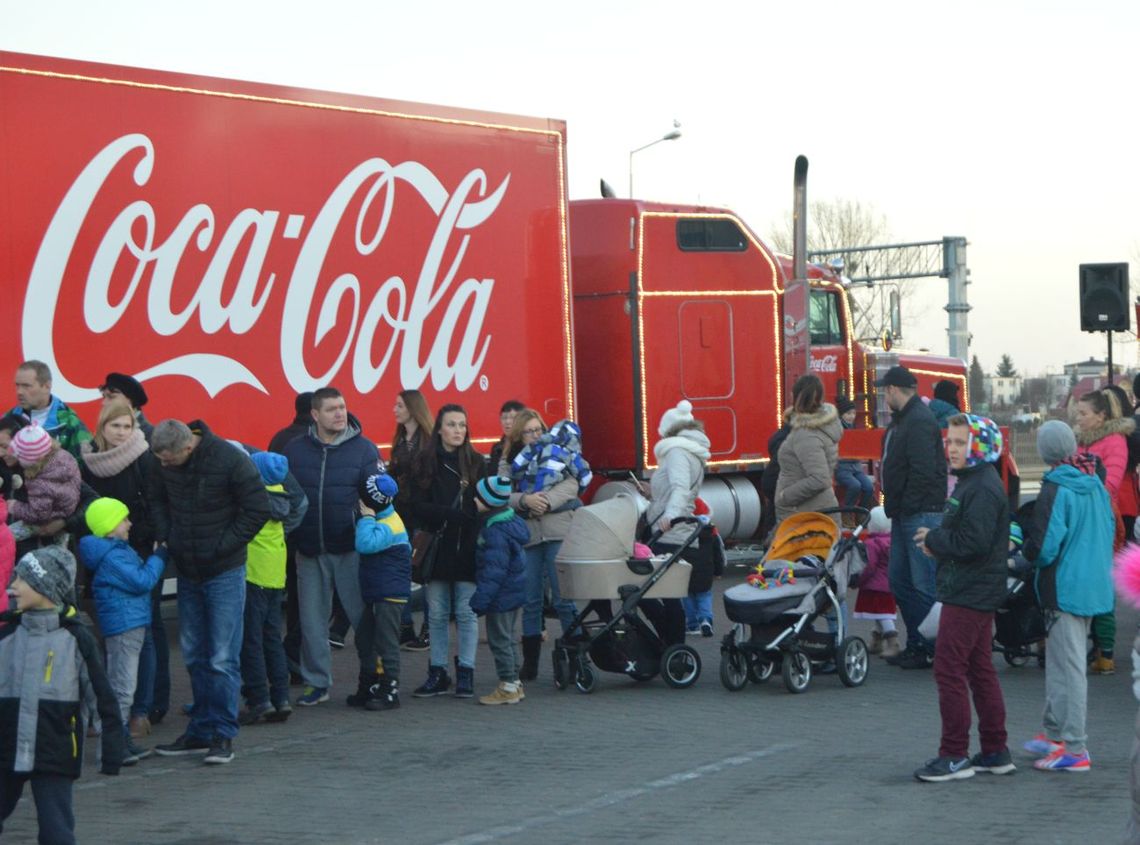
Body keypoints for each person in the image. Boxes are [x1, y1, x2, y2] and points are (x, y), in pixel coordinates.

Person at [149, 419, 271, 765]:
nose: (163, 465)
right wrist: (168, 535)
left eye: (168, 459)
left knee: (221, 657)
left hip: (224, 571)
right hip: (189, 569)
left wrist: (223, 546)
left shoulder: (229, 459)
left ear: (187, 447)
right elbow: (156, 498)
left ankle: (222, 732)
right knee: (194, 654)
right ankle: (201, 730)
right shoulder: (165, 463)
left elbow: (258, 508)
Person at [0, 548, 124, 845]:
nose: (12, 585)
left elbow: (102, 698)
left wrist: (111, 751)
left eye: (22, 579)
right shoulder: (7, 636)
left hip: (54, 751)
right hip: (6, 749)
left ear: (45, 588)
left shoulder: (76, 639)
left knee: (57, 831)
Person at [912, 414, 1011, 782]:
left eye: (959, 442)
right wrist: (937, 541)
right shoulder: (974, 482)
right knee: (979, 668)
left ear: (979, 446)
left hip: (969, 592)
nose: (951, 449)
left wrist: (935, 541)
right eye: (949, 442)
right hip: (973, 588)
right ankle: (994, 750)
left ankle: (954, 754)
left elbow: (974, 542)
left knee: (948, 668)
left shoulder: (981, 487)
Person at [1020, 420, 1114, 772]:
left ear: (1046, 452)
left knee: (1068, 666)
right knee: (1064, 663)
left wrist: (1026, 554)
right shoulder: (1095, 483)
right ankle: (1055, 732)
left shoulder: (1055, 489)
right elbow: (1108, 530)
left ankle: (1074, 746)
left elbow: (1044, 548)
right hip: (1093, 582)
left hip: (1064, 586)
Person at [283, 388, 381, 706]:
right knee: (311, 620)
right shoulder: (295, 451)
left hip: (350, 547)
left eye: (342, 407)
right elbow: (286, 496)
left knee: (362, 616)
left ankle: (374, 675)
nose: (339, 413)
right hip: (309, 548)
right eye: (331, 409)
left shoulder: (364, 450)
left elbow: (378, 496)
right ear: (315, 415)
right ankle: (316, 683)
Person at [79, 399, 167, 735]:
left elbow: (156, 505)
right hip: (100, 559)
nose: (121, 432)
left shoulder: (144, 458)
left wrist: (151, 543)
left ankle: (141, 709)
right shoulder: (86, 461)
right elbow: (81, 508)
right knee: (106, 636)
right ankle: (110, 708)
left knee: (145, 633)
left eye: (127, 426)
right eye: (115, 426)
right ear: (102, 426)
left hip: (139, 554)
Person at [77, 498, 166, 765]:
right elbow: (143, 581)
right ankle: (111, 749)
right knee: (122, 688)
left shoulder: (115, 550)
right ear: (109, 526)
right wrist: (159, 557)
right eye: (123, 519)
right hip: (125, 624)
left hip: (129, 622)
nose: (129, 523)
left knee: (122, 685)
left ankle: (121, 740)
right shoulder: (113, 555)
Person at [504, 412, 591, 679]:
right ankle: (530, 664)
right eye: (528, 432)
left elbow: (572, 484)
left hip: (557, 531)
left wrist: (545, 500)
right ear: (519, 436)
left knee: (564, 598)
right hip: (529, 535)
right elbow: (501, 492)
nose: (535, 436)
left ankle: (577, 656)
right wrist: (524, 500)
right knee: (530, 600)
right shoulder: (511, 462)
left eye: (538, 429)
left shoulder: (557, 452)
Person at [408, 404, 483, 698]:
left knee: (466, 613)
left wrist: (471, 517)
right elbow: (416, 505)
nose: (458, 431)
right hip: (437, 547)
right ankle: (437, 672)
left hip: (466, 546)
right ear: (439, 428)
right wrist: (451, 515)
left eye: (462, 425)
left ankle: (466, 671)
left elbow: (486, 504)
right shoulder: (425, 463)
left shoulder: (476, 462)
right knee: (436, 613)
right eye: (452, 425)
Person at [877, 365, 948, 670]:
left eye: (885, 390)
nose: (883, 396)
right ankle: (919, 643)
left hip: (919, 514)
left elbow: (921, 471)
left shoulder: (918, 421)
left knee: (922, 584)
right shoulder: (905, 421)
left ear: (893, 390)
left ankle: (934, 646)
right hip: (905, 512)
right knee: (901, 581)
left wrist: (904, 504)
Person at [238, 450, 308, 725]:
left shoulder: (253, 501)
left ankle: (259, 700)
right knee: (271, 639)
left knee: (250, 640)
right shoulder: (281, 497)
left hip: (252, 574)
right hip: (274, 575)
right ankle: (280, 697)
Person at [1075, 388, 1133, 675]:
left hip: (1101, 520)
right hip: (1083, 518)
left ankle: (1105, 651)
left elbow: (1109, 484)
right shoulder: (1084, 442)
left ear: (1102, 416)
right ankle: (1094, 646)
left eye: (1084, 414)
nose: (1079, 418)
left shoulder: (1114, 442)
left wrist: (1079, 488)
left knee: (1102, 584)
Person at [644, 400, 712, 638]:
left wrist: (670, 515)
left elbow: (680, 488)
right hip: (676, 528)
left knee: (658, 591)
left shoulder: (676, 452)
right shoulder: (690, 451)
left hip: (671, 531)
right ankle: (672, 642)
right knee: (667, 592)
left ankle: (672, 642)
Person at [266, 391, 315, 680]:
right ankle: (293, 656)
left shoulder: (278, 439)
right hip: (306, 529)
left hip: (279, 532)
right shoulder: (310, 443)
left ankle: (280, 658)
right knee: (303, 599)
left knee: (277, 597)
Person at [352, 472, 411, 711]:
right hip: (378, 591)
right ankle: (369, 684)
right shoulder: (385, 517)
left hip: (390, 595)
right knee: (364, 639)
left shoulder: (387, 526)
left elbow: (364, 545)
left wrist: (366, 518)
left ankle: (390, 690)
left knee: (386, 643)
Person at [469, 475, 529, 705]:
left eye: (478, 496)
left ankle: (508, 685)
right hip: (513, 592)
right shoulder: (510, 522)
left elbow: (494, 571)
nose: (474, 499)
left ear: (489, 501)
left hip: (501, 595)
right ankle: (515, 682)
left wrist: (480, 601)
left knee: (499, 639)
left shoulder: (494, 531)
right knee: (509, 637)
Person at [389, 389, 434, 651]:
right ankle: (405, 627)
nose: (395, 410)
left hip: (421, 515)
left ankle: (429, 628)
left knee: (424, 573)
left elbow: (427, 479)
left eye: (400, 406)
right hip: (400, 514)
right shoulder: (400, 439)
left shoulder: (427, 441)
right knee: (402, 571)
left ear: (413, 409)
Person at [774, 375, 843, 528]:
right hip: (814, 510)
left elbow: (819, 479)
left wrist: (785, 497)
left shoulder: (806, 434)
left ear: (797, 396)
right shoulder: (820, 428)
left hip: (806, 514)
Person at [7, 423, 81, 543]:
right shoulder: (62, 455)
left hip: (54, 515)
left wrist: (15, 506)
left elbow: (38, 514)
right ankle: (60, 539)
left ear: (30, 459)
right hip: (68, 502)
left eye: (19, 456)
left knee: (8, 534)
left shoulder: (39, 483)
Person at [9, 360, 91, 459]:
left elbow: (85, 467)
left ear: (47, 386)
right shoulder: (8, 420)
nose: (19, 392)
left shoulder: (69, 423)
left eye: (26, 386)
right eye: (17, 385)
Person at [853, 506, 900, 658]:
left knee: (882, 615)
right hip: (888, 584)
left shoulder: (872, 543)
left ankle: (893, 642)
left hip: (874, 585)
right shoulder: (893, 541)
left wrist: (860, 580)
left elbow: (869, 565)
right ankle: (876, 641)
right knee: (881, 614)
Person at [834, 396, 875, 512]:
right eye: (848, 413)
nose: (851, 416)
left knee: (868, 487)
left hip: (856, 468)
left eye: (853, 413)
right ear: (841, 415)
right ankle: (847, 512)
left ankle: (861, 512)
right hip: (842, 468)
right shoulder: (837, 430)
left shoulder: (854, 428)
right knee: (855, 486)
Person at [98, 372, 153, 441]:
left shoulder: (151, 436)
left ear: (131, 400)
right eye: (104, 397)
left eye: (111, 397)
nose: (104, 403)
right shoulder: (103, 432)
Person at [486, 400, 525, 476]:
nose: (507, 422)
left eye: (513, 418)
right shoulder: (497, 448)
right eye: (504, 418)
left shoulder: (527, 446)